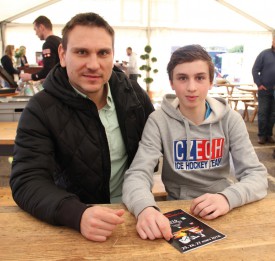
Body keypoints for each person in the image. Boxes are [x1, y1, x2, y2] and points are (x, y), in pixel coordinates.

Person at [10, 12, 154, 242]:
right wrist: (77, 214)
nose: (94, 64)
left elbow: (156, 151)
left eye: (103, 53)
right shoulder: (41, 108)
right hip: (75, 225)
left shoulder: (133, 95)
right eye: (81, 52)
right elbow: (27, 180)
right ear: (62, 55)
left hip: (137, 216)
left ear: (112, 55)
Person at [122, 44, 268, 241]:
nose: (191, 87)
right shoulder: (158, 120)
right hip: (177, 209)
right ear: (172, 83)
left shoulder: (230, 119)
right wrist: (145, 208)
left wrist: (227, 197)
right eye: (182, 78)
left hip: (225, 208)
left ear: (210, 82)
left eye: (199, 78)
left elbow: (256, 175)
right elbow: (137, 173)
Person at [20, 16, 61, 82]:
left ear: (41, 27)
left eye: (35, 29)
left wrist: (30, 76)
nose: (36, 33)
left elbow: (48, 70)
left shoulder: (48, 44)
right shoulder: (59, 40)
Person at [252, 35, 275, 145]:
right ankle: (261, 135)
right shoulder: (264, 54)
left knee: (273, 114)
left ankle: (269, 135)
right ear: (273, 41)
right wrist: (259, 84)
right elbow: (255, 69)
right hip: (265, 89)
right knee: (263, 112)